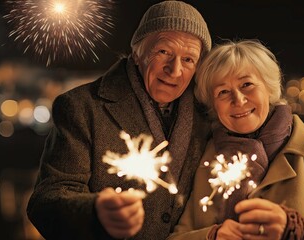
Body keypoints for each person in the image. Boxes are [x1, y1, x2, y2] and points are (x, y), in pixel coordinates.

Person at [26, 1, 213, 239]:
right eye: (164, 52)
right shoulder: (82, 107)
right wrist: (96, 213)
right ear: (137, 52)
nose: (174, 70)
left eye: (188, 60)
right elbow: (46, 201)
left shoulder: (208, 115)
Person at [167, 39, 304, 239]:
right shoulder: (205, 159)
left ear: (269, 88)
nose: (239, 99)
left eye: (247, 84)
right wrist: (211, 236)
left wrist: (298, 230)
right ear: (212, 104)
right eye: (223, 92)